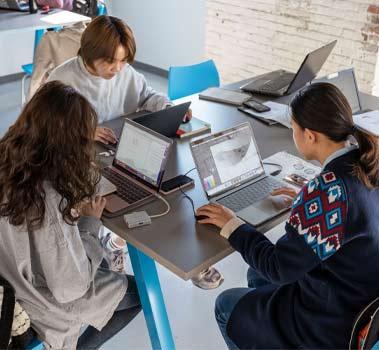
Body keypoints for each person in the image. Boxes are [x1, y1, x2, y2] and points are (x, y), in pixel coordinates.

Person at [196, 82, 379, 349]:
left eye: (293, 128)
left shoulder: (328, 191)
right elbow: (356, 212)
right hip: (374, 304)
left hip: (336, 324)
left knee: (227, 305)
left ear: (310, 135)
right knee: (255, 275)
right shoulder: (375, 163)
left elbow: (278, 268)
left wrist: (232, 225)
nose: (293, 134)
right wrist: (309, 204)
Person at [47, 15, 222, 290]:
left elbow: (148, 96)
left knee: (166, 190)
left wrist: (166, 106)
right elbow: (40, 126)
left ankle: (186, 255)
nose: (117, 68)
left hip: (124, 150)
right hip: (79, 159)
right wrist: (83, 130)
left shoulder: (124, 73)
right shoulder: (62, 79)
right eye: (110, 61)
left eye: (123, 60)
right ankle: (117, 243)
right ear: (89, 52)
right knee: (118, 200)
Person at [0, 81, 142, 349]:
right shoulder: (47, 196)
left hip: (7, 281)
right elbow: (70, 288)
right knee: (141, 293)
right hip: (34, 301)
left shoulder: (8, 154)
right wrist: (89, 221)